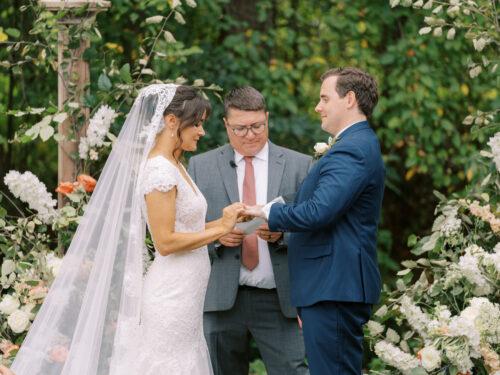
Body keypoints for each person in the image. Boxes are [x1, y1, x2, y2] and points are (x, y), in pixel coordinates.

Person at [10, 84, 244, 375]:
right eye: (196, 123)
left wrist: (222, 223)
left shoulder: (175, 164)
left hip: (187, 293)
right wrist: (220, 228)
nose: (201, 131)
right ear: (171, 121)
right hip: (171, 295)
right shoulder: (160, 170)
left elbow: (186, 227)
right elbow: (165, 241)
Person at [244, 68, 385, 375]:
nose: (318, 107)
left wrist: (266, 212)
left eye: (324, 98)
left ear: (349, 99)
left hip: (333, 286)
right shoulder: (354, 144)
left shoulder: (353, 149)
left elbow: (319, 211)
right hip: (328, 285)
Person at [188, 86, 311, 375]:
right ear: (225, 125)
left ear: (267, 118)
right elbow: (185, 231)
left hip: (279, 298)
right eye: (240, 128)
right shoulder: (200, 166)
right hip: (221, 299)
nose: (250, 134)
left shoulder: (300, 165)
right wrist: (217, 236)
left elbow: (314, 227)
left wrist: (283, 233)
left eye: (257, 126)